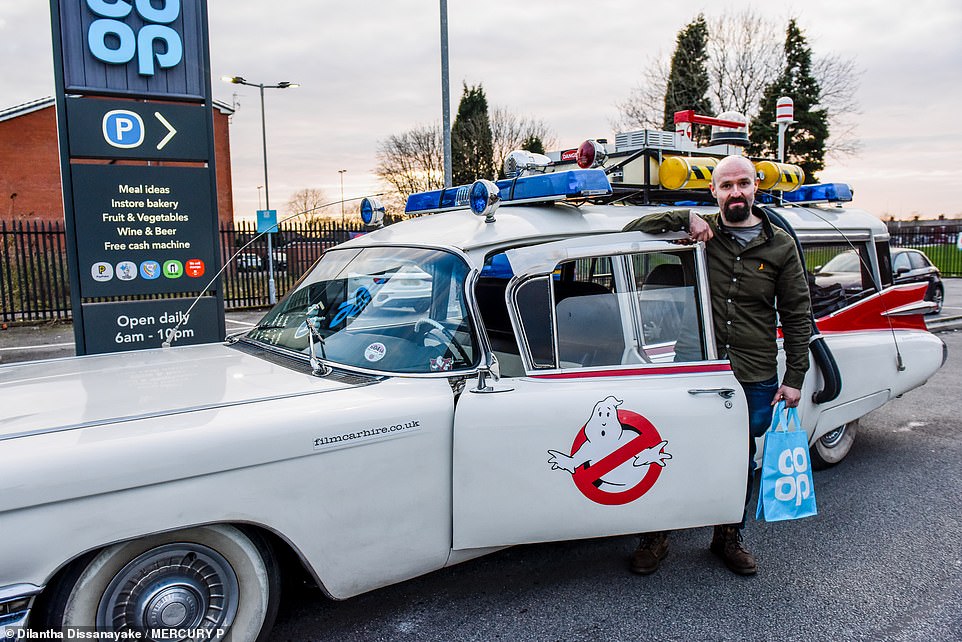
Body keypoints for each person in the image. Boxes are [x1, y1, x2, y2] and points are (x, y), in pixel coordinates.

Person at [622, 154, 813, 576]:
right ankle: (658, 536)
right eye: (726, 186)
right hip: (694, 366)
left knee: (739, 457)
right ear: (714, 191)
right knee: (668, 450)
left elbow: (799, 315)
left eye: (743, 183)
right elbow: (630, 231)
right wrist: (684, 215)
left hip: (754, 374)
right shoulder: (699, 232)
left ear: (756, 186)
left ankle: (727, 537)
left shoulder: (780, 245)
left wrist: (795, 377)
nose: (735, 192)